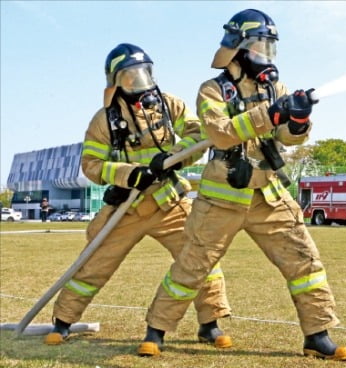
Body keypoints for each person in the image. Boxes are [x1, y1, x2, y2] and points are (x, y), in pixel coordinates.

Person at [138, 9, 346, 361]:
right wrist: (272, 114)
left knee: (305, 264)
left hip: (268, 194)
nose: (266, 55)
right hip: (221, 199)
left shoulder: (275, 88)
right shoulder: (211, 90)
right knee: (192, 266)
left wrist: (298, 121)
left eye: (270, 48)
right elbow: (221, 133)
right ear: (237, 48)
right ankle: (155, 332)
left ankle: (317, 335)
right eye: (260, 46)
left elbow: (287, 136)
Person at [44, 43, 232, 351]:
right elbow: (91, 165)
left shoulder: (171, 106)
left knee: (200, 260)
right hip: (127, 208)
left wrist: (171, 156)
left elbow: (199, 136)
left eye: (144, 73)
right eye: (131, 77)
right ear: (116, 82)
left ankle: (210, 325)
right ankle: (62, 323)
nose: (140, 82)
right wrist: (127, 174)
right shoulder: (103, 120)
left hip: (169, 202)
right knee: (92, 265)